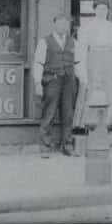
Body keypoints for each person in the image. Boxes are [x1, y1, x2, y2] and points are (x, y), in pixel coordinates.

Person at [72, 0, 112, 131]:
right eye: (99, 9)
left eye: (104, 9)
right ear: (94, 10)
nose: (102, 12)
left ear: (108, 11)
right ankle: (89, 122)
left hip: (111, 60)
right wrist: (81, 71)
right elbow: (81, 49)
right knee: (93, 87)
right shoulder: (86, 28)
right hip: (93, 59)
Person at [32, 14, 80, 156]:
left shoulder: (73, 42)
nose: (63, 27)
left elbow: (78, 63)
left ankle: (67, 145)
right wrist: (37, 83)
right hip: (52, 80)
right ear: (54, 25)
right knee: (49, 113)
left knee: (68, 114)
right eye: (60, 24)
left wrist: (83, 80)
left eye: (65, 24)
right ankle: (45, 147)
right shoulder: (45, 41)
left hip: (69, 81)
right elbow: (38, 63)